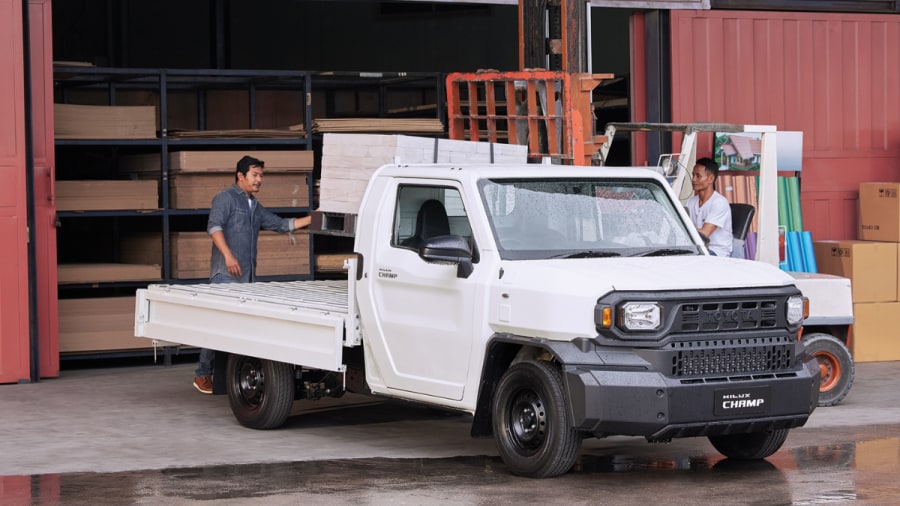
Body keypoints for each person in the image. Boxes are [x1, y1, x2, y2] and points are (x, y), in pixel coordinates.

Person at [193, 155, 312, 394]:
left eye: (261, 176)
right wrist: (227, 255)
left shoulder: (255, 206)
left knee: (234, 328)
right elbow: (214, 227)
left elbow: (281, 225)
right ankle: (203, 374)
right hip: (224, 275)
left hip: (246, 279)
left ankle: (226, 377)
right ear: (240, 176)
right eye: (255, 175)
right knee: (218, 324)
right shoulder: (225, 198)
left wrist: (316, 217)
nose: (259, 180)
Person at [686, 157, 732, 257]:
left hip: (716, 251)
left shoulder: (719, 202)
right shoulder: (691, 201)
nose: (693, 179)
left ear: (711, 178)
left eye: (698, 176)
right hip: (697, 249)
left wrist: (682, 230)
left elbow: (704, 234)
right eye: (693, 175)